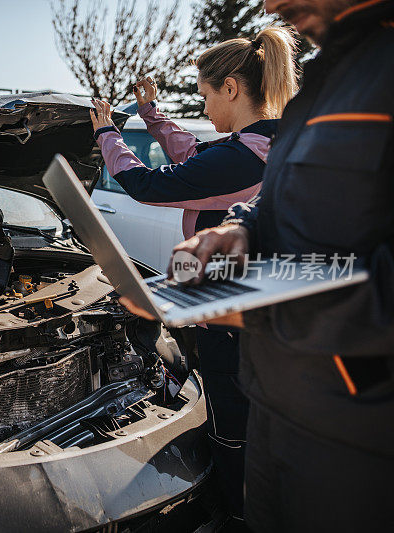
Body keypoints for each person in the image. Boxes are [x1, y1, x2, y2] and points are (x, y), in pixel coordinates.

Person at [119, 0, 394, 530]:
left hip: (360, 444)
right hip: (276, 410)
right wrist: (240, 228)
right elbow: (292, 196)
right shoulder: (329, 78)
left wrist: (266, 308)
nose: (269, 5)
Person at [88, 26, 297, 524]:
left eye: (205, 96)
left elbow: (143, 184)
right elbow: (195, 155)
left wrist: (105, 131)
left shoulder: (237, 161)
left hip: (232, 326)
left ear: (231, 88)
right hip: (271, 320)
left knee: (232, 437)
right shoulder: (270, 144)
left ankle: (236, 518)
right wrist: (151, 115)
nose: (203, 109)